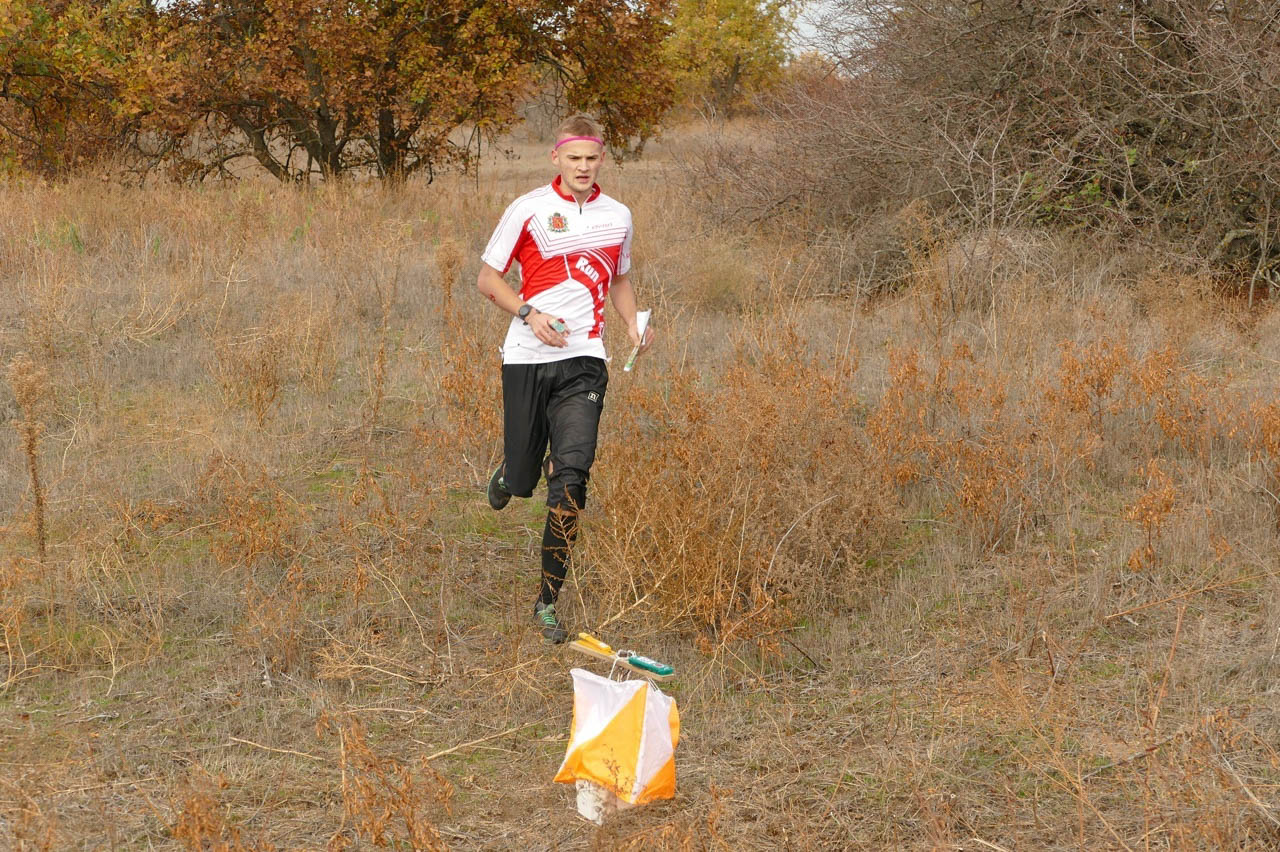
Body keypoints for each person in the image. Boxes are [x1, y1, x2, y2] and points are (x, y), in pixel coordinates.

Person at [476, 114, 654, 644]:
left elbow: (618, 277)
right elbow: (488, 280)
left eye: (591, 158)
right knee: (529, 480)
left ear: (602, 160)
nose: (583, 166)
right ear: (556, 157)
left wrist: (630, 323)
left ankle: (548, 600)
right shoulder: (528, 209)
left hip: (585, 360)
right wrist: (529, 314)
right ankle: (511, 474)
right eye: (573, 158)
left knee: (572, 476)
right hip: (527, 356)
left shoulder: (618, 215)